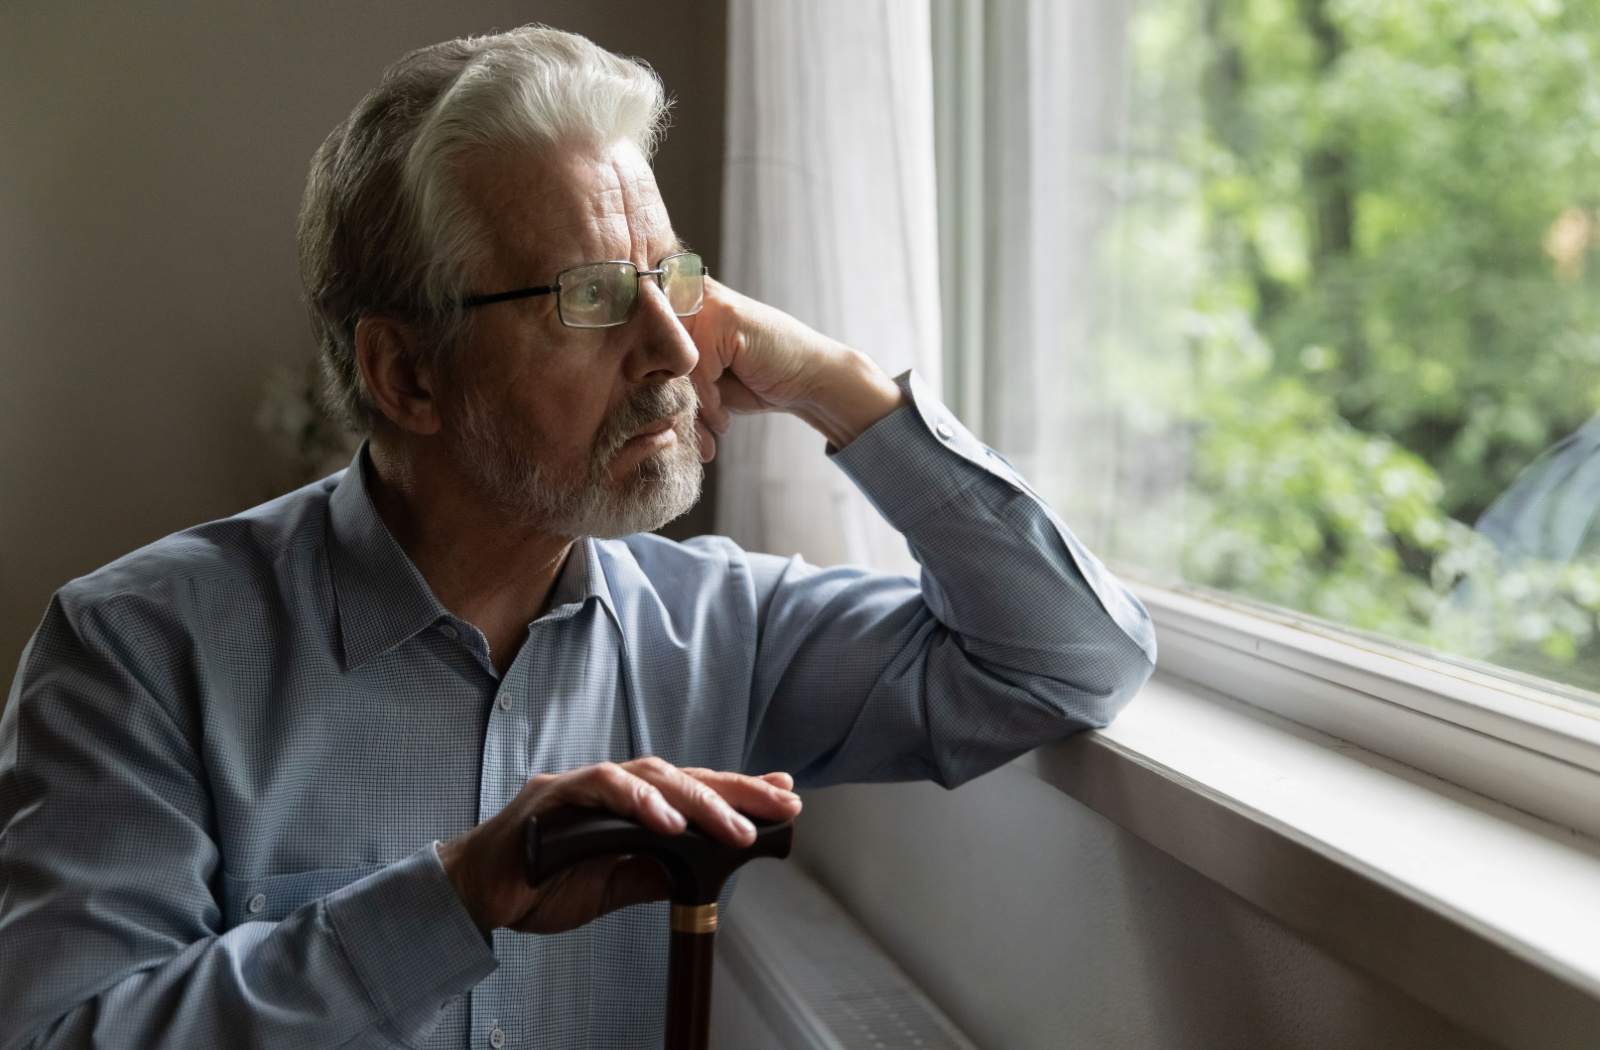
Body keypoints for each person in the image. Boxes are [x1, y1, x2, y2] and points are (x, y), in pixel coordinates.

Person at [0, 25, 1155, 1050]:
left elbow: (1068, 661)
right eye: (590, 298)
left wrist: (834, 385)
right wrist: (454, 896)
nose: (671, 347)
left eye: (676, 282)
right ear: (405, 372)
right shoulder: (139, 650)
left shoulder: (724, 629)